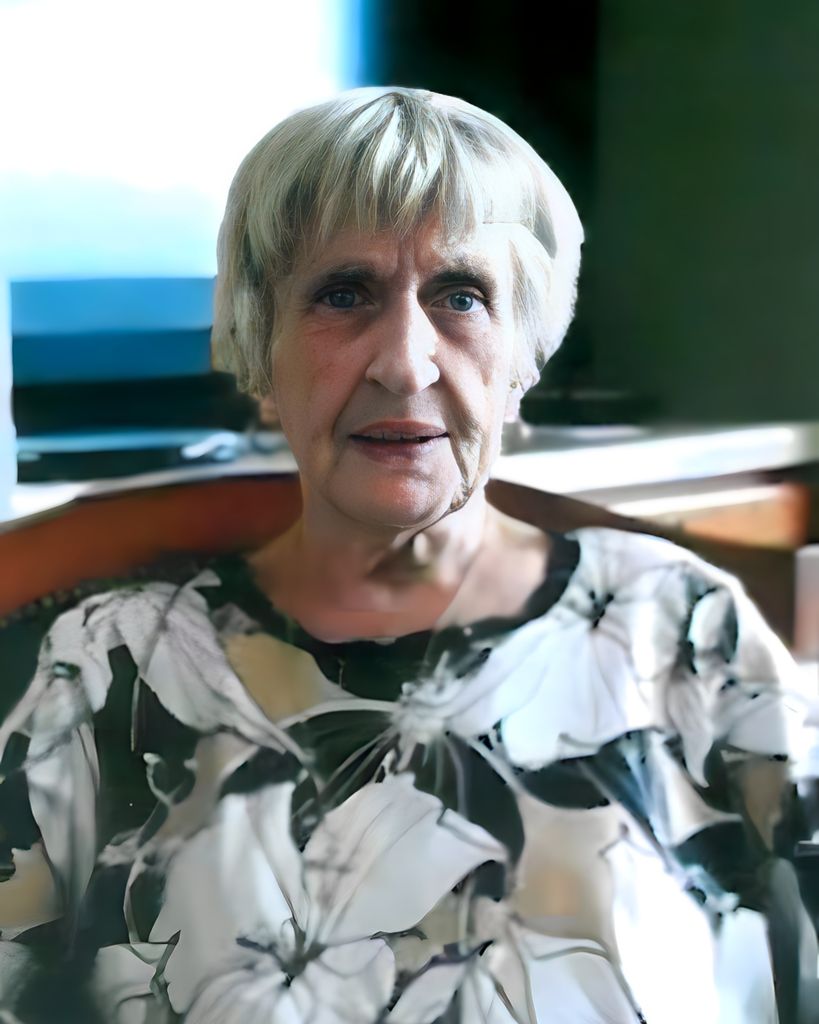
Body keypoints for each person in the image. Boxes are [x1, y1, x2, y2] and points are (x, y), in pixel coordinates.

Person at [0, 87, 815, 1023]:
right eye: (343, 295)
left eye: (459, 296)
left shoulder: (681, 630)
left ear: (523, 354)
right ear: (261, 346)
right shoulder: (109, 667)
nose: (405, 362)